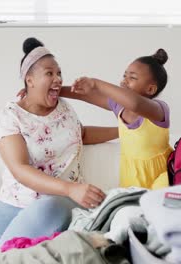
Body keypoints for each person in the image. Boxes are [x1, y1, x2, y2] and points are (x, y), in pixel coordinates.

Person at [0, 37, 118, 257]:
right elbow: (20, 169)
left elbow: (80, 134)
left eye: (59, 73)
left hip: (56, 202)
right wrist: (70, 188)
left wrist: (122, 130)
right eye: (49, 73)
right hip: (11, 202)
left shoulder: (64, 108)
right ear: (30, 80)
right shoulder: (11, 116)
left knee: (2, 257)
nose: (57, 78)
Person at [67, 49, 172, 190]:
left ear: (150, 89)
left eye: (132, 78)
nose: (124, 81)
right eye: (124, 76)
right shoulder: (120, 107)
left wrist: (96, 84)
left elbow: (135, 103)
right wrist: (54, 90)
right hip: (130, 181)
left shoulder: (158, 110)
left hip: (160, 180)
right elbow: (83, 95)